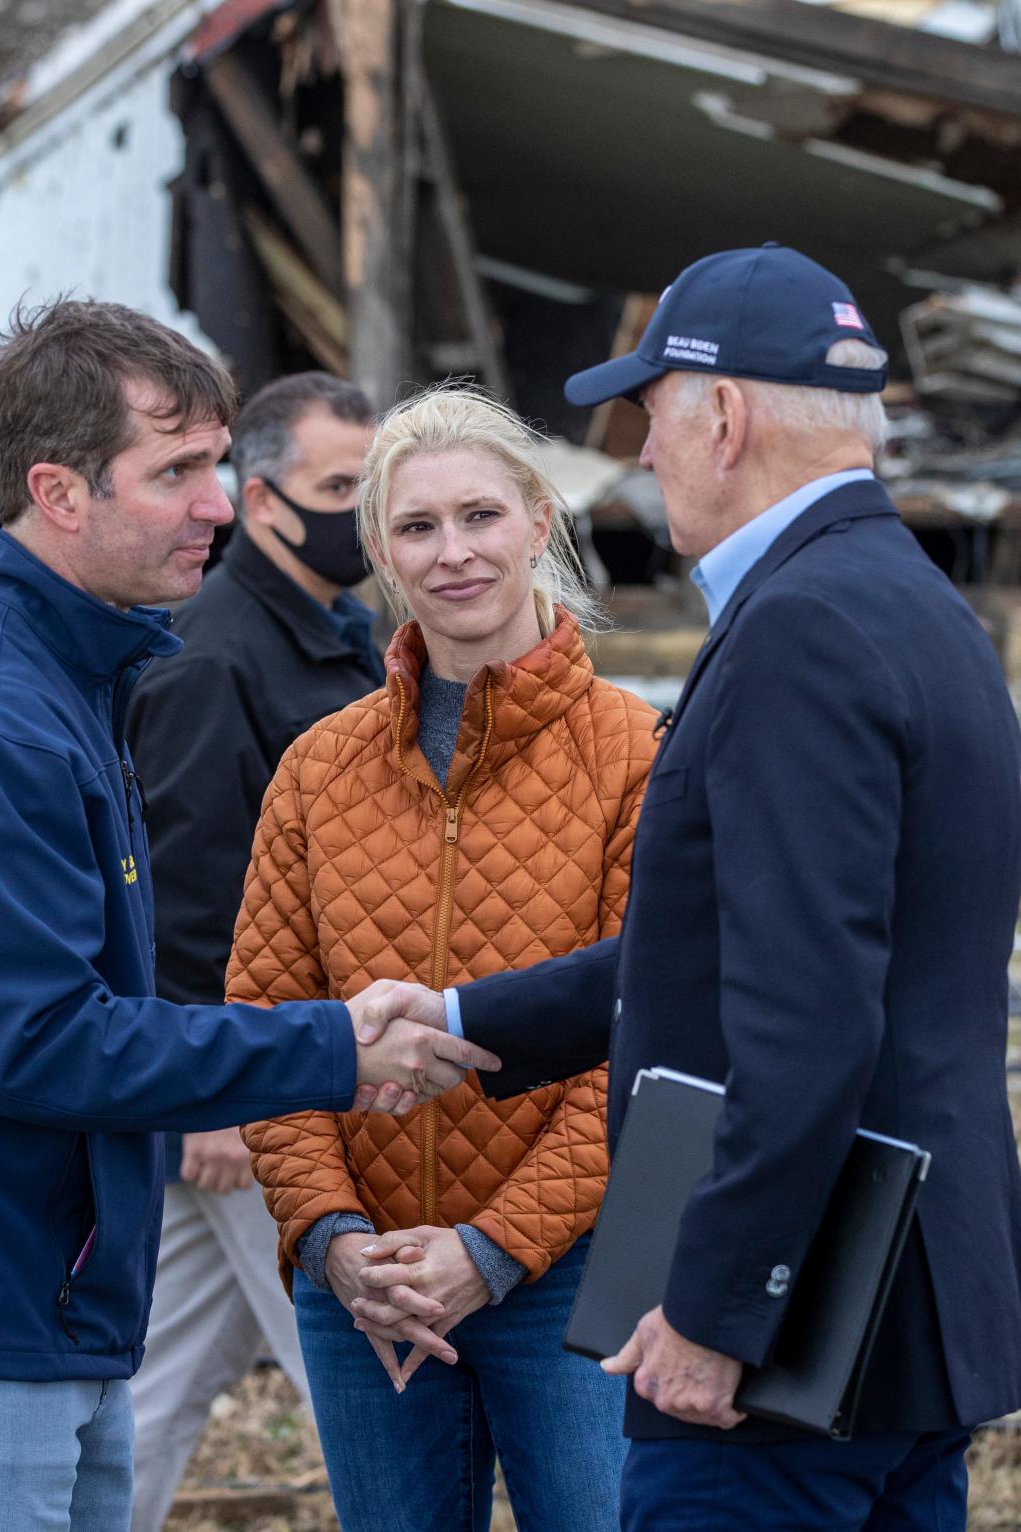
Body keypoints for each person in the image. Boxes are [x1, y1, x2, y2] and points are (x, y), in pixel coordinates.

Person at [0, 299, 497, 1532]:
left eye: (216, 462)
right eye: (177, 471)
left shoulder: (70, 674)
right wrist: (333, 1047)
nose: (221, 503)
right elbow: (45, 1040)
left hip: (40, 1294)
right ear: (59, 491)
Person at [354, 246, 1021, 1531]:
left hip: (785, 1337)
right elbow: (723, 948)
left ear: (724, 413)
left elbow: (809, 1010)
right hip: (903, 1310)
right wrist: (458, 1019)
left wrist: (720, 1311)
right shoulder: (921, 606)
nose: (646, 454)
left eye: (653, 414)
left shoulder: (800, 627)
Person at [228, 386, 658, 1532]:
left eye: (480, 515)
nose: (454, 551)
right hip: (365, 1283)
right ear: (380, 550)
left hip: (566, 1269)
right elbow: (269, 1024)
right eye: (418, 527)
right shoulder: (318, 769)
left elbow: (649, 1037)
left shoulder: (636, 754)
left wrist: (492, 1248)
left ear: (537, 519)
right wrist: (334, 1240)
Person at [124, 371, 380, 1532]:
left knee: (156, 1380)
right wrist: (209, 1096)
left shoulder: (344, 632)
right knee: (373, 1373)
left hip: (309, 1058)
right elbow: (187, 895)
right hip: (263, 1085)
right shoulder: (213, 657)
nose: (366, 511)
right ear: (263, 501)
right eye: (342, 488)